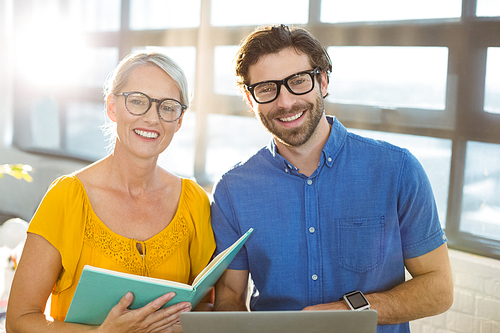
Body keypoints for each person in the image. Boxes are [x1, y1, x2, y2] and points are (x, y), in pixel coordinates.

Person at [211, 24, 454, 332]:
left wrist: (350, 311)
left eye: (297, 81)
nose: (285, 103)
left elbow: (439, 289)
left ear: (322, 81)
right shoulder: (232, 190)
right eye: (266, 88)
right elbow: (230, 294)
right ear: (250, 100)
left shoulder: (398, 170)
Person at [6, 52, 215, 332]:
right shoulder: (66, 197)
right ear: (112, 107)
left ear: (179, 120)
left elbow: (206, 306)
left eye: (168, 106)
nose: (153, 118)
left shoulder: (194, 201)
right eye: (138, 101)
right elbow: (18, 321)